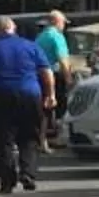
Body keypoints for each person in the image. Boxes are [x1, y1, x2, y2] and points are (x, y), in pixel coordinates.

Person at [0, 14, 55, 194]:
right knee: (30, 136)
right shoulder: (31, 46)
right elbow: (46, 72)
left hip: (0, 94)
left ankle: (7, 180)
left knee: (3, 138)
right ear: (13, 29)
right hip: (30, 93)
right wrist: (50, 94)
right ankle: (28, 173)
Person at [34, 11, 74, 150]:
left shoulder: (40, 36)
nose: (64, 26)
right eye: (63, 23)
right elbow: (63, 59)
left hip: (39, 75)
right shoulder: (57, 36)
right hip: (55, 75)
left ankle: (42, 139)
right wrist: (68, 78)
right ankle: (59, 137)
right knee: (61, 106)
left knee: (44, 108)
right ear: (58, 22)